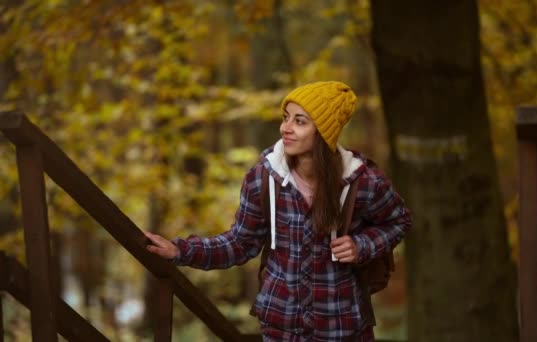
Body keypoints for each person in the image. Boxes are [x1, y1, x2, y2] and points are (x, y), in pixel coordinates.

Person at [145, 81, 412, 341]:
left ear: (323, 132)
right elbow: (239, 243)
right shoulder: (263, 179)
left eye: (300, 121)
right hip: (280, 327)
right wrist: (180, 251)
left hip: (342, 326)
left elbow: (399, 221)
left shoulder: (363, 181)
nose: (286, 128)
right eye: (286, 118)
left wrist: (361, 245)